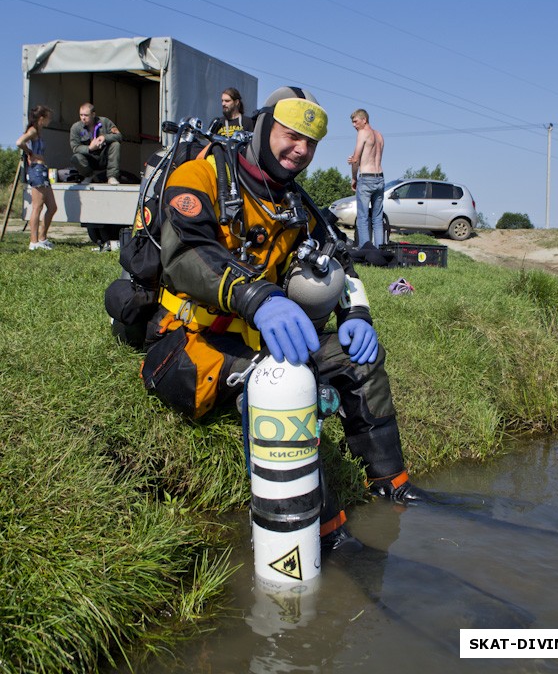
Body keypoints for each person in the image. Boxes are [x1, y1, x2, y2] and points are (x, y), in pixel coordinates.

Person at [141, 86, 427, 551]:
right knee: (282, 382)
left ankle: (391, 484)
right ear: (261, 128)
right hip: (194, 342)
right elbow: (187, 254)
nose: (301, 150)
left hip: (267, 338)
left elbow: (341, 261)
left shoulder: (294, 201)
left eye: (311, 142)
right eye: (291, 135)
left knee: (360, 358)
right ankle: (328, 534)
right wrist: (258, 298)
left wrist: (356, 313)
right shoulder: (201, 174)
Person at [15, 105, 57, 251]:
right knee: (37, 207)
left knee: (52, 207)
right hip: (36, 170)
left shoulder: (39, 132)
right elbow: (19, 142)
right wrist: (30, 152)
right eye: (48, 118)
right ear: (41, 118)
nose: (49, 121)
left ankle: (42, 238)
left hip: (43, 170)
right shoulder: (32, 131)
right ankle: (34, 242)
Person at [348, 109, 385, 248]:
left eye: (355, 121)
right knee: (377, 218)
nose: (353, 125)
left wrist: (353, 178)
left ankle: (366, 251)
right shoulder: (379, 136)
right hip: (380, 178)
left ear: (364, 120)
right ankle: (379, 249)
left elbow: (356, 159)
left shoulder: (363, 133)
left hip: (366, 179)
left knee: (363, 218)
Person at [69, 103, 122, 185]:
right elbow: (75, 147)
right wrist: (89, 148)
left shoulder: (105, 122)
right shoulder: (76, 128)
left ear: (93, 114)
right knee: (75, 157)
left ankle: (112, 176)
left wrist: (105, 137)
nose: (83, 118)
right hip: (89, 159)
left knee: (115, 144)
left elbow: (119, 136)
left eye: (86, 115)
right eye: (81, 115)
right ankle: (89, 176)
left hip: (104, 157)